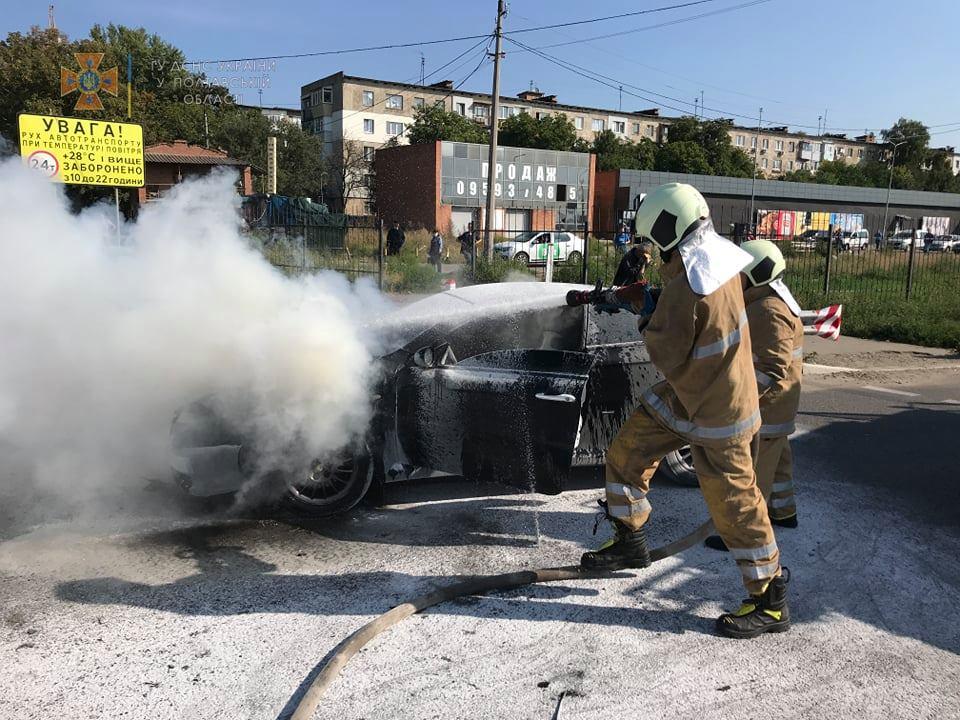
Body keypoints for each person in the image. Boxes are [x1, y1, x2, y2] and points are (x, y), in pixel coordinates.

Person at [579, 182, 789, 639]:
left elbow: (665, 351)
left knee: (735, 505)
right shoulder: (721, 259)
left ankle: (769, 599)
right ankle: (629, 540)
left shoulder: (688, 286)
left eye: (654, 240)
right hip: (697, 391)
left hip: (718, 410)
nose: (653, 248)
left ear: (667, 230)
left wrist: (643, 312)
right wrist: (655, 298)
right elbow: (689, 317)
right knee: (626, 453)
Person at [704, 240, 803, 554]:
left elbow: (772, 365)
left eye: (739, 273)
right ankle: (784, 512)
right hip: (780, 405)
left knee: (753, 472)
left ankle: (743, 534)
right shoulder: (769, 301)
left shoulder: (769, 310)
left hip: (769, 407)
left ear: (755, 273)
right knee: (780, 460)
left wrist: (743, 397)